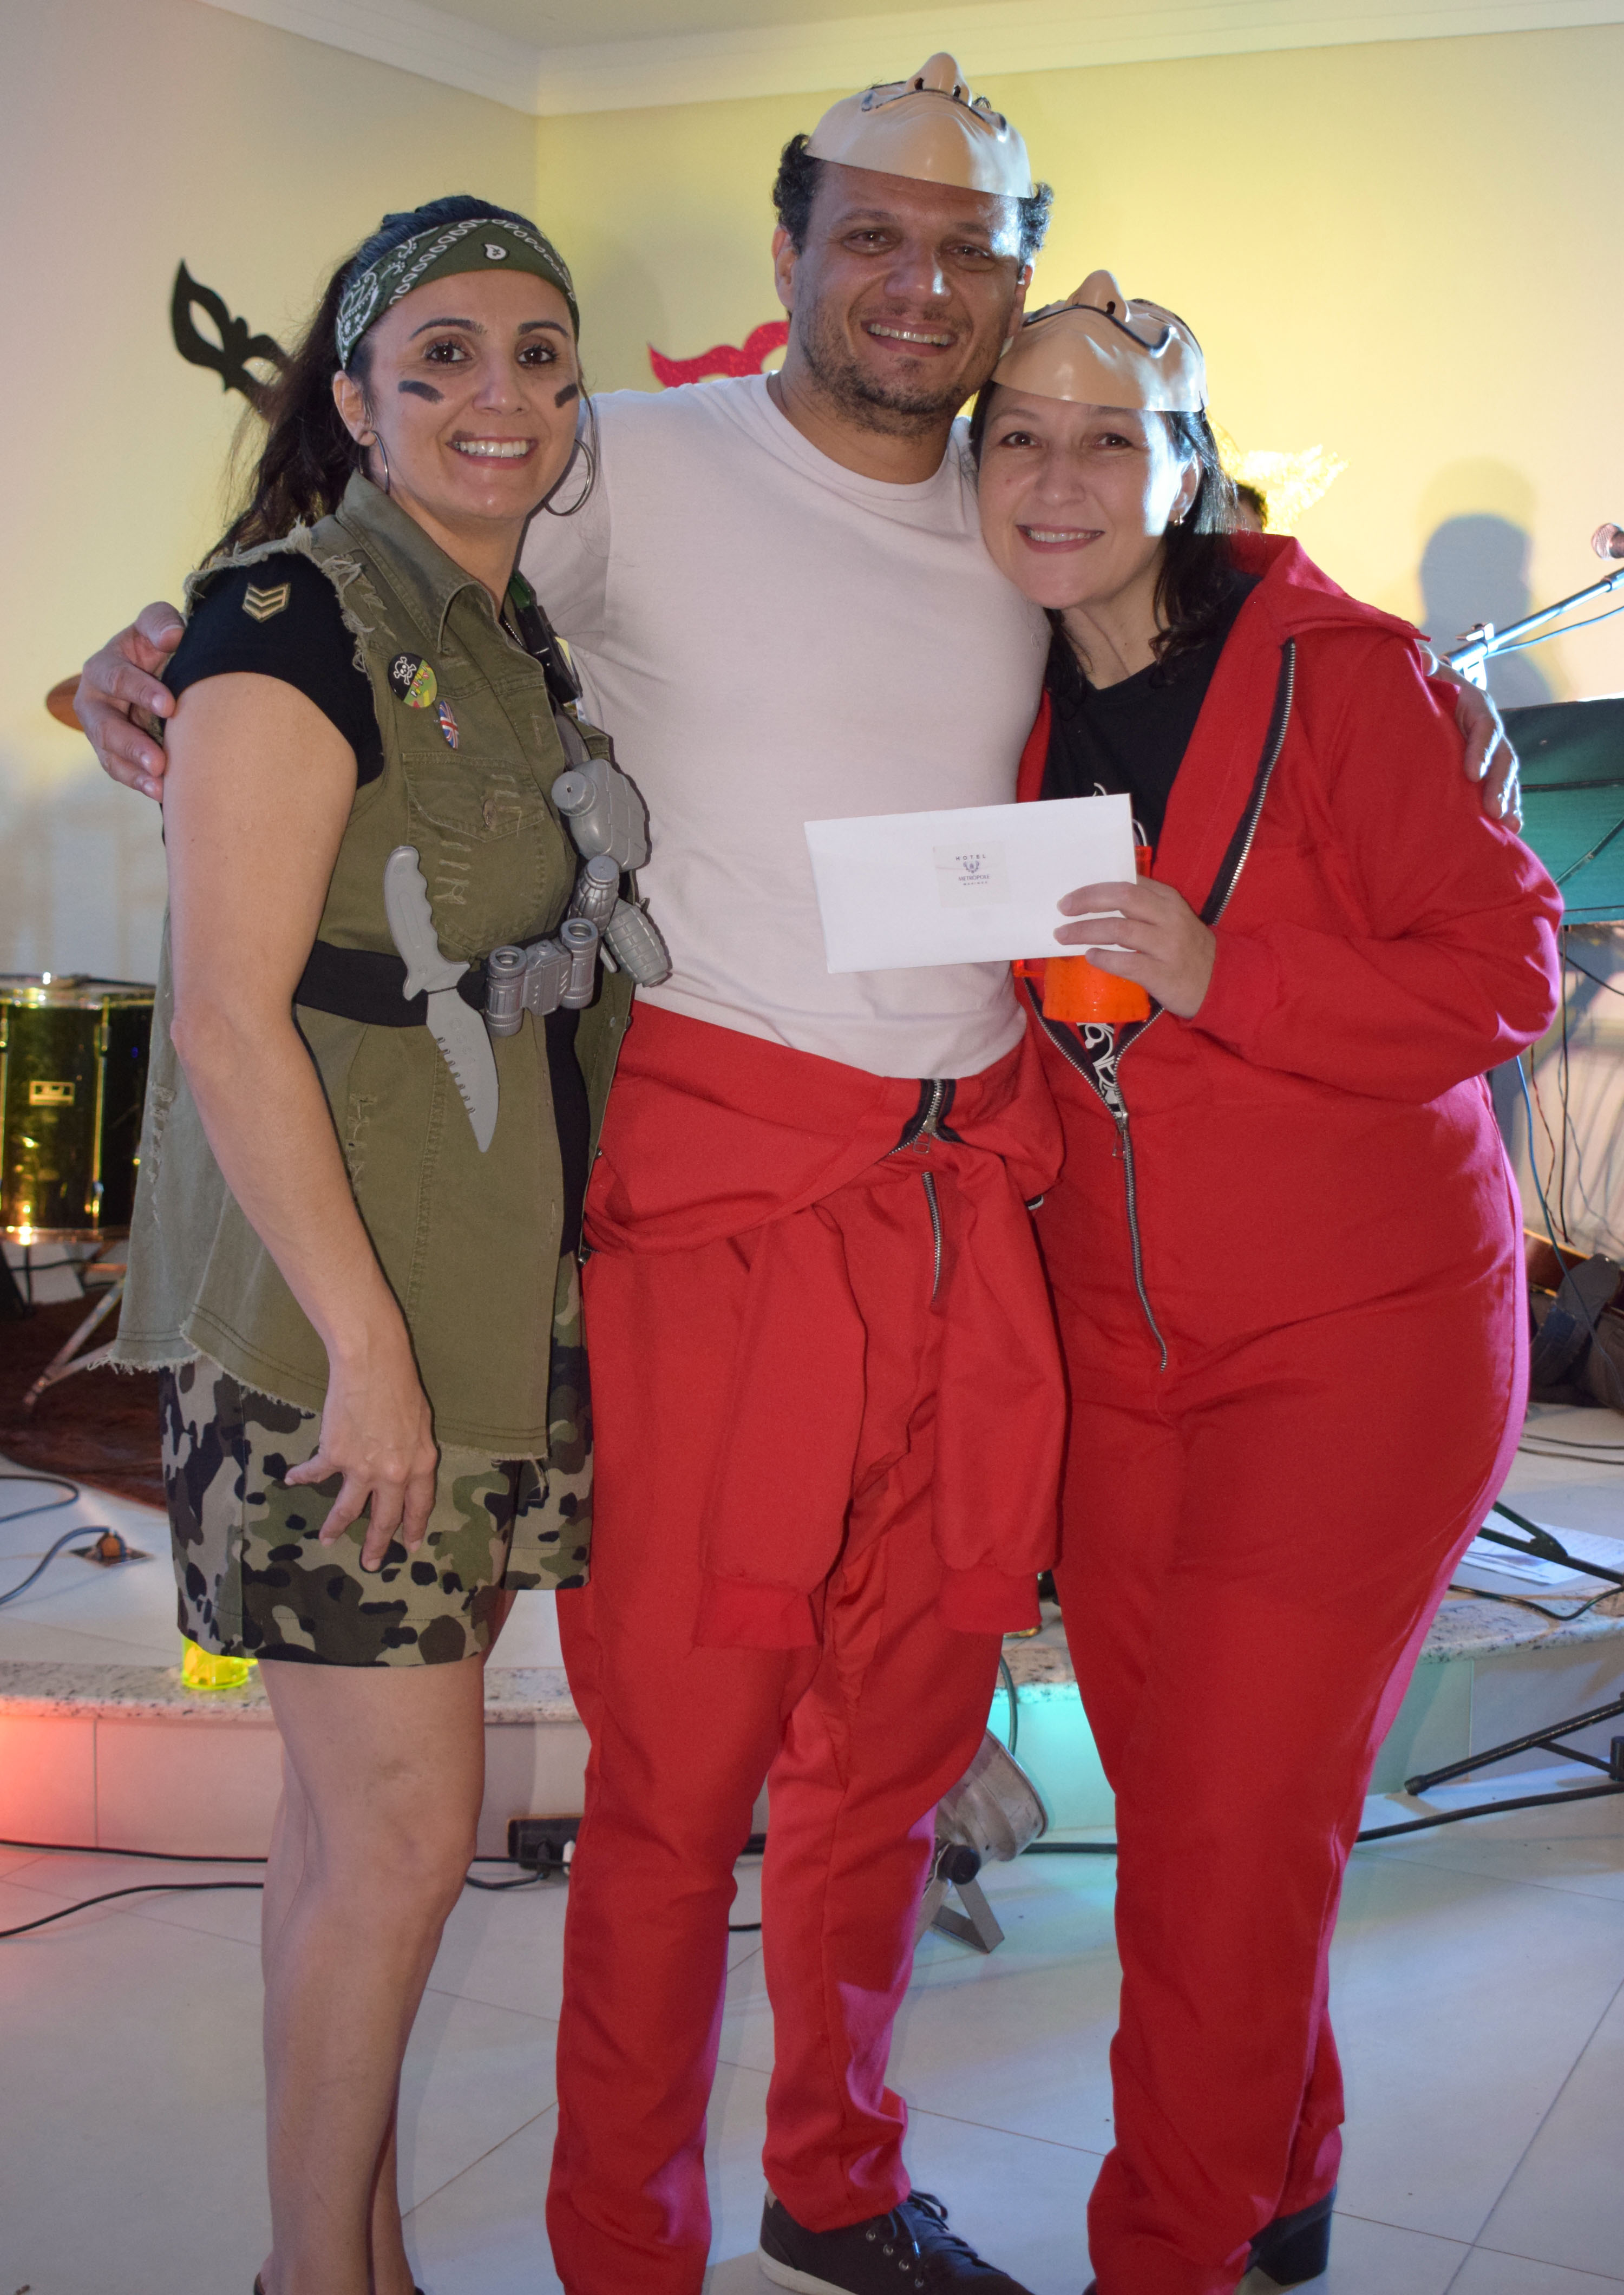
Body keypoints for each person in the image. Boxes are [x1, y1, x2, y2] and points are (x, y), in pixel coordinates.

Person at [77, 63, 1523, 2295]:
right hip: (722, 1220)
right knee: (675, 1785)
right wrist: (169, 647)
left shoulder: (1029, 520)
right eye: (871, 236)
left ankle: (836, 2180)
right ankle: (619, 2245)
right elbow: (395, 560)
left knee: (899, 1760)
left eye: (967, 250)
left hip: (973, 1227)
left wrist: (1411, 691)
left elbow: (1222, 615)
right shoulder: (625, 463)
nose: (918, 286)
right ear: (791, 253)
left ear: (1020, 288)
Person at [972, 274, 1562, 2295]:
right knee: (1200, 1818)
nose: (1059, 477)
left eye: (1108, 438)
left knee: (1224, 1834)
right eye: (1019, 435)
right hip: (1117, 1361)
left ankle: (1171, 2249)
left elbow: (1506, 972)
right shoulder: (981, 682)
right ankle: (1285, 2172)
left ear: (1187, 467)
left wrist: (1232, 975)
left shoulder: (1344, 673)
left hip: (1362, 1354)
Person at [108, 195, 634, 2295]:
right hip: (341, 1333)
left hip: (472, 1289)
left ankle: (341, 2261)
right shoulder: (289, 616)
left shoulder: (507, 630)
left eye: (537, 355)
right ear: (355, 397)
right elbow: (227, 1019)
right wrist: (370, 1352)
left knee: (348, 1828)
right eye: (441, 358)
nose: (497, 395)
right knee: (406, 1834)